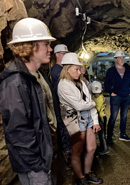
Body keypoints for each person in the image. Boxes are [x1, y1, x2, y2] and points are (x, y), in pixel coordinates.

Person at [0, 17, 71, 185]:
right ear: (30, 46)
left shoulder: (40, 76)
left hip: (49, 154)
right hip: (36, 166)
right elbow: (19, 133)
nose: (50, 49)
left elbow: (50, 115)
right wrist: (39, 167)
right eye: (46, 44)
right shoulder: (14, 82)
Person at [58, 53, 103, 185]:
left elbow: (87, 102)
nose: (79, 72)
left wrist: (95, 121)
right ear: (67, 69)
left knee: (92, 148)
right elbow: (79, 105)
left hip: (87, 118)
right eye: (76, 69)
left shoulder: (81, 83)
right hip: (75, 120)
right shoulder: (63, 85)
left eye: (80, 69)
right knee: (77, 151)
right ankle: (80, 177)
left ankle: (88, 173)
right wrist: (94, 103)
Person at [104, 50, 130, 144]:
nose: (122, 59)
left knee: (124, 117)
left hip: (126, 97)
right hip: (116, 97)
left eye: (123, 58)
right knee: (113, 117)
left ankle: (123, 134)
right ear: (116, 59)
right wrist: (111, 92)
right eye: (120, 58)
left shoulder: (128, 71)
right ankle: (109, 137)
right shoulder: (111, 71)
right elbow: (106, 84)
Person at [90, 81, 109, 155]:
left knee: (102, 134)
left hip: (101, 117)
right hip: (100, 117)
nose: (96, 94)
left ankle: (104, 149)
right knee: (101, 134)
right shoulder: (99, 97)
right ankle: (102, 147)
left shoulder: (100, 99)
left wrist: (91, 104)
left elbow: (97, 109)